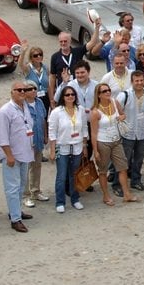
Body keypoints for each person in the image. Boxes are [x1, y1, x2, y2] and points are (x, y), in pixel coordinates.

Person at [90, 84, 138, 205]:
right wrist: (95, 150)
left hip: (116, 140)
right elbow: (94, 133)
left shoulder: (114, 102)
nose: (107, 92)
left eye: (108, 90)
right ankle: (106, 196)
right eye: (104, 91)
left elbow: (123, 114)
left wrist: (121, 117)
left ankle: (126, 194)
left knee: (123, 167)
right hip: (103, 142)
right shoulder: (95, 112)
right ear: (99, 94)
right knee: (103, 170)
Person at [47, 85, 87, 213]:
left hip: (77, 146)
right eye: (67, 95)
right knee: (61, 175)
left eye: (72, 94)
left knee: (74, 175)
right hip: (62, 147)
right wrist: (52, 150)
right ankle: (60, 201)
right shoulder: (57, 112)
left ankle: (75, 199)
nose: (70, 97)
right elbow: (52, 132)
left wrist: (85, 146)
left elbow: (84, 128)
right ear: (63, 97)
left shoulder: (80, 110)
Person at [117, 71, 144, 192]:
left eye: (141, 80)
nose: (139, 83)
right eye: (136, 81)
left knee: (139, 158)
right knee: (124, 160)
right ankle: (118, 184)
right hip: (128, 133)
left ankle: (136, 180)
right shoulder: (124, 96)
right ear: (132, 82)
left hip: (142, 133)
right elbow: (117, 114)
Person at [21, 81, 49, 208]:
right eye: (29, 89)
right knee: (25, 169)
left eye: (34, 88)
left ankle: (36, 191)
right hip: (26, 141)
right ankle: (25, 195)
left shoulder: (40, 103)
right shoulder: (21, 105)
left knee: (37, 166)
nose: (32, 91)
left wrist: (45, 135)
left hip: (38, 139)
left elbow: (43, 119)